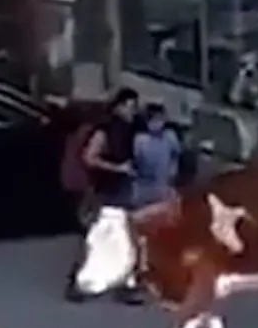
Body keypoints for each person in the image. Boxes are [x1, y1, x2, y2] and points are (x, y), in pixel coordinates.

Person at [68, 87, 144, 304]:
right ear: (119, 106)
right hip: (105, 190)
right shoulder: (105, 130)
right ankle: (79, 282)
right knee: (100, 238)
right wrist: (117, 168)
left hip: (122, 189)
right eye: (130, 106)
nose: (133, 111)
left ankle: (125, 283)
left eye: (135, 107)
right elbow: (89, 157)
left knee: (126, 238)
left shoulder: (131, 129)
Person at [132, 103, 182, 209]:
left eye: (160, 119)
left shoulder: (170, 136)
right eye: (153, 120)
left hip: (164, 184)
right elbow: (136, 162)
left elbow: (176, 156)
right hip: (143, 186)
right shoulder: (140, 139)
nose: (157, 123)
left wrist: (173, 172)